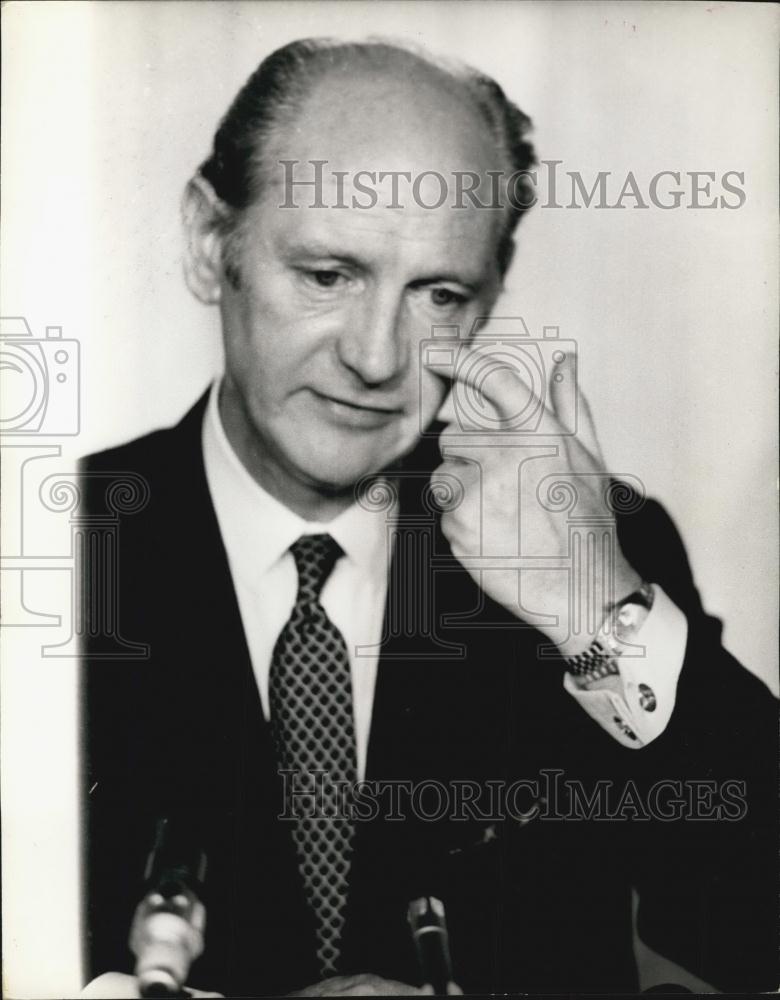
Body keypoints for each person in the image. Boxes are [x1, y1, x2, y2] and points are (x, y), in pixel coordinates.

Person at [80, 38, 776, 997]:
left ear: (491, 296)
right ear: (211, 244)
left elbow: (755, 935)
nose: (375, 356)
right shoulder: (58, 546)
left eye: (438, 295)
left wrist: (594, 610)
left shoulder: (597, 546)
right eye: (328, 276)